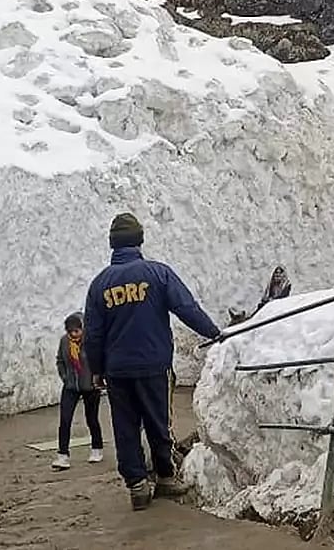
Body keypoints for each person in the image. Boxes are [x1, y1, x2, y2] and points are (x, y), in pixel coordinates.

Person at [84, 213, 222, 511]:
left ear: (112, 244)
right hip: (153, 366)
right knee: (157, 422)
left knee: (125, 427)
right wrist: (215, 333)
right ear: (139, 240)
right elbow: (186, 307)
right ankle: (165, 477)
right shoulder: (158, 274)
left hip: (117, 371)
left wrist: (96, 370)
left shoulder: (99, 285)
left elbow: (92, 334)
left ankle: (137, 487)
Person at [53, 311, 104, 471]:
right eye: (70, 332)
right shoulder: (64, 342)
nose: (73, 334)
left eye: (76, 331)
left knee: (91, 419)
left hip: (90, 386)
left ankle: (97, 448)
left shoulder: (92, 341)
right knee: (65, 420)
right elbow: (60, 360)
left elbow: (100, 360)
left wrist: (98, 378)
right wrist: (65, 377)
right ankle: (63, 455)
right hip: (71, 387)